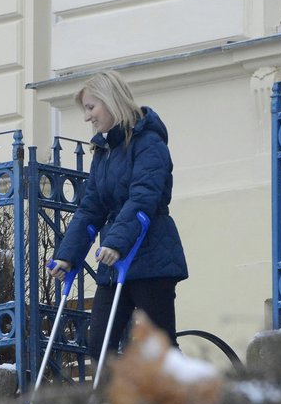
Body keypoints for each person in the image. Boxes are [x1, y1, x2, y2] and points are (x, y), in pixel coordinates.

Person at [49, 70, 188, 366]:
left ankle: (185, 403)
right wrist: (68, 256)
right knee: (99, 344)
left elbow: (144, 197)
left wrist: (116, 242)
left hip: (151, 257)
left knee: (159, 345)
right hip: (114, 262)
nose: (87, 117)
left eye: (91, 107)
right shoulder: (104, 152)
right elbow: (91, 209)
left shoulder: (149, 142)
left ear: (111, 101)